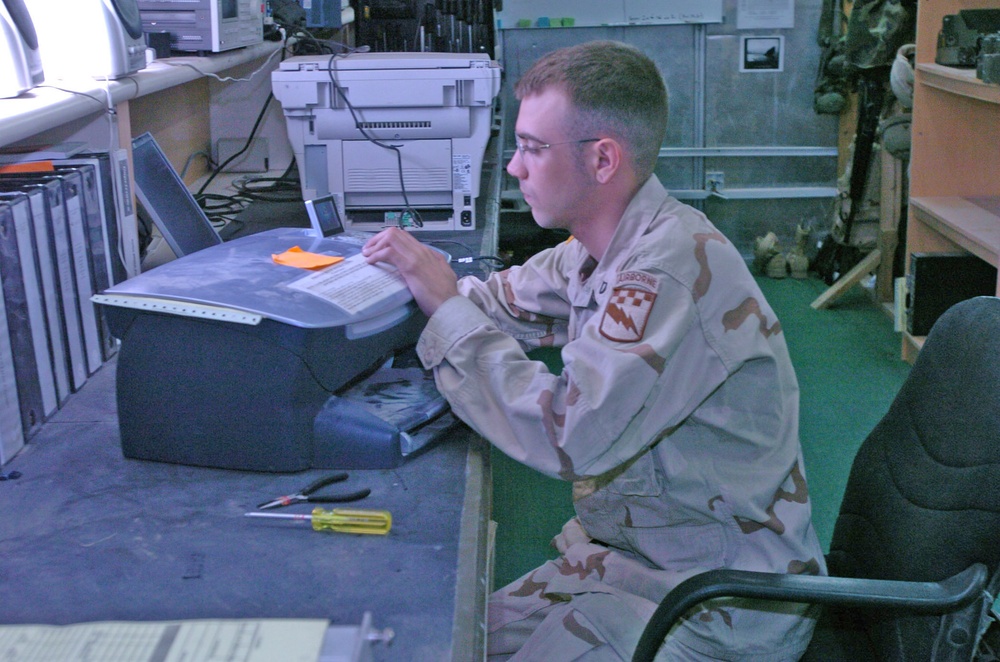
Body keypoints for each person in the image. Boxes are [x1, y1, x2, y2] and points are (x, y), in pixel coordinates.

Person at [363, 40, 826, 661]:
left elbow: (570, 434)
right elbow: (495, 300)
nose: (514, 168)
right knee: (438, 644)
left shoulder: (666, 271)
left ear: (604, 159)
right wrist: (383, 292)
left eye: (531, 148)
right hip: (638, 563)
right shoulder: (602, 245)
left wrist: (445, 309)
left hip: (719, 609)